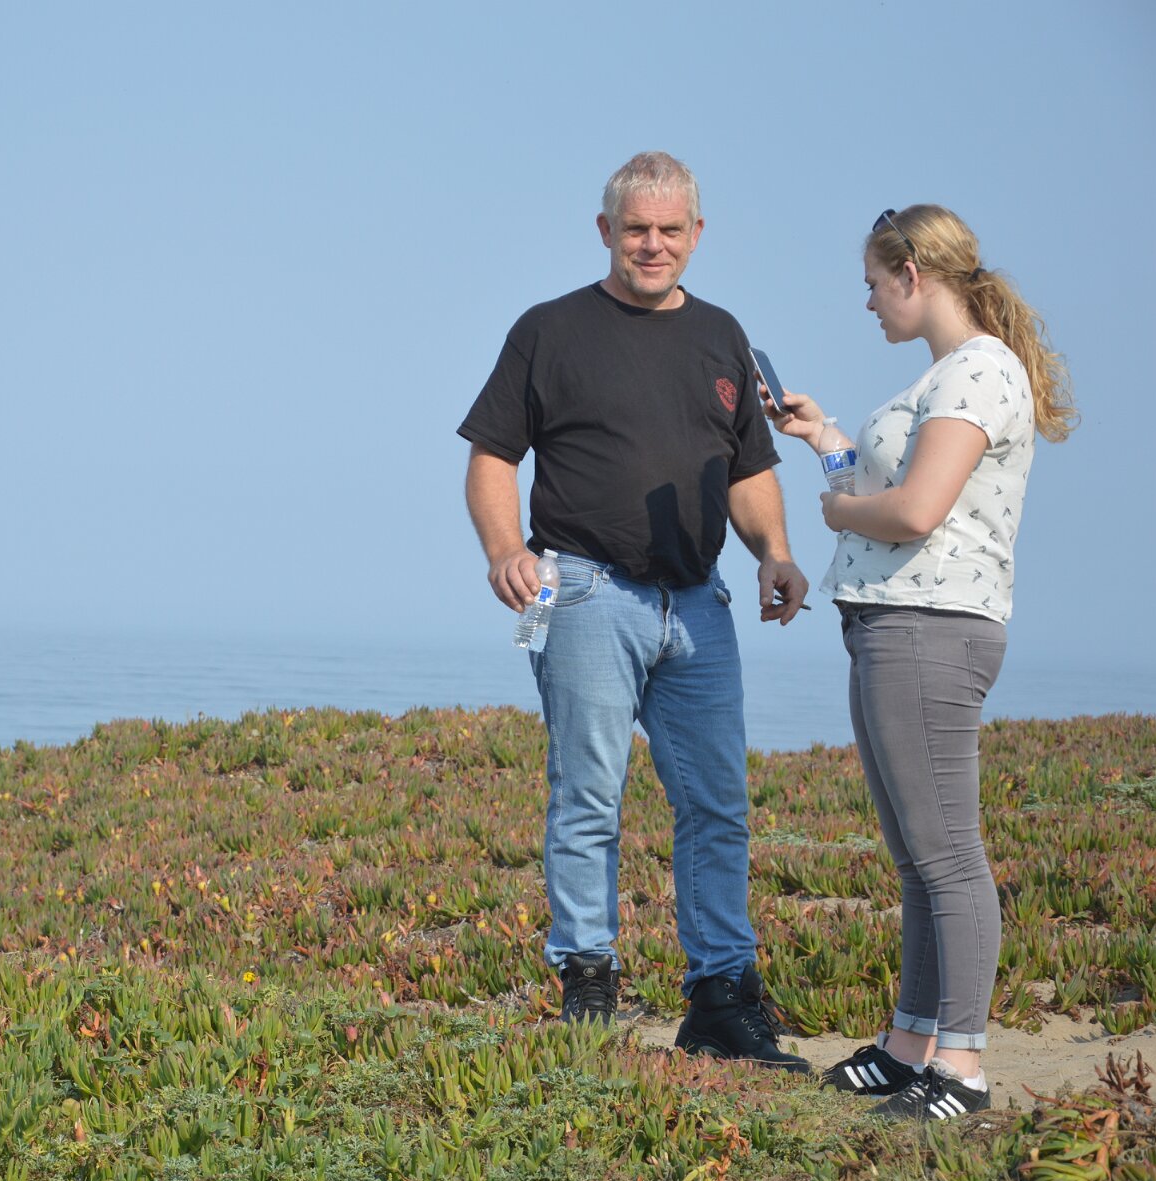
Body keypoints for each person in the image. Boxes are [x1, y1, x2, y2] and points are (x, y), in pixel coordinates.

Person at [457, 150, 810, 1071]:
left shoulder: (723, 335)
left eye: (670, 229)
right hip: (580, 591)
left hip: (700, 603)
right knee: (587, 798)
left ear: (697, 233)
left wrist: (774, 553)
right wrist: (503, 550)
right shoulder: (548, 329)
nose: (653, 245)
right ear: (605, 230)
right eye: (636, 228)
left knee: (717, 804)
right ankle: (587, 986)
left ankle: (721, 999)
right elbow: (491, 455)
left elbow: (748, 469)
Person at [765, 205, 1075, 1120]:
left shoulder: (978, 371)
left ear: (911, 273)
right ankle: (909, 1048)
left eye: (872, 283)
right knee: (916, 857)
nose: (866, 302)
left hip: (928, 628)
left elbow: (912, 510)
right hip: (890, 623)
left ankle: (962, 1071)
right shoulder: (945, 376)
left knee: (946, 857)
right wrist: (825, 440)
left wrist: (834, 512)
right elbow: (889, 485)